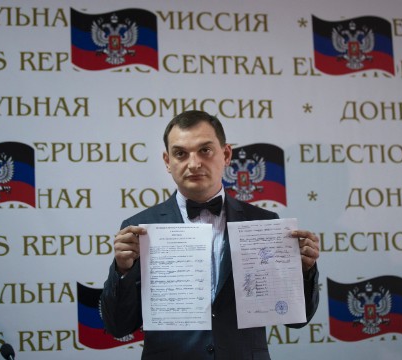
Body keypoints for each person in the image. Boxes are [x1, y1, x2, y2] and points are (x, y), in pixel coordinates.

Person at [100, 110, 320, 359]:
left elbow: (296, 321)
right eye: (180, 153)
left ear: (226, 155)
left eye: (205, 150)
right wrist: (123, 271)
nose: (193, 163)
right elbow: (117, 326)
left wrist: (303, 271)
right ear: (167, 161)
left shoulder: (265, 223)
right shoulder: (139, 228)